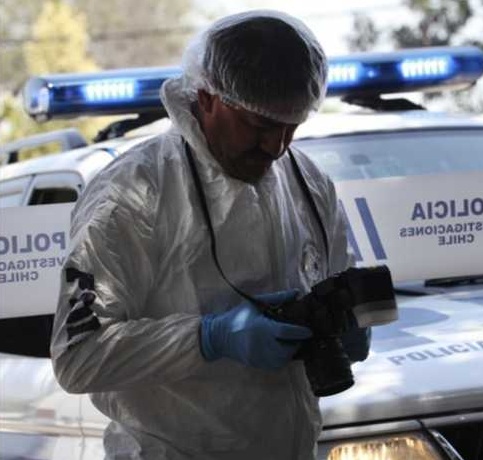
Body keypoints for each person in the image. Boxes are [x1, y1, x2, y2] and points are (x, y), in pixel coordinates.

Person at [50, 10, 370, 459]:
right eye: (260, 127)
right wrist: (210, 338)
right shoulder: (132, 193)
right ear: (206, 97)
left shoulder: (307, 182)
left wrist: (352, 322)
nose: (276, 148)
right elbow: (77, 357)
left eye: (290, 127)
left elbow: (339, 286)